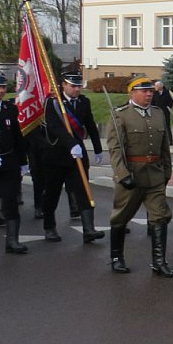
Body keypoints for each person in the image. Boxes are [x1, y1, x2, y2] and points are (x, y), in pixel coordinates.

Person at [106, 77, 173, 276]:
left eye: (151, 91)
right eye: (144, 91)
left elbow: (164, 147)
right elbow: (115, 148)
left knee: (160, 217)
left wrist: (167, 171)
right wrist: (122, 174)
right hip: (132, 174)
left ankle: (159, 261)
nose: (149, 94)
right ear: (132, 93)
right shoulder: (121, 115)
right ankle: (117, 257)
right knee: (121, 216)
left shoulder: (159, 113)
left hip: (155, 174)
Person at [39, 69, 105, 243]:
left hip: (78, 155)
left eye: (78, 86)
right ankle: (49, 227)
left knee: (83, 189)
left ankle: (88, 229)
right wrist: (71, 143)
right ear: (64, 85)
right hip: (56, 155)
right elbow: (54, 127)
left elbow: (90, 125)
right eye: (73, 86)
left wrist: (98, 148)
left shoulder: (84, 102)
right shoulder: (53, 103)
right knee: (52, 193)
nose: (77, 89)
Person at [0, 71, 28, 253]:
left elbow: (17, 136)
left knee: (11, 200)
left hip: (8, 161)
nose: (1, 91)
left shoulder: (9, 108)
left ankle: (12, 241)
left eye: (3, 87)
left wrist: (23, 160)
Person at [152, 80, 173, 145]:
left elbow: (171, 101)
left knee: (167, 126)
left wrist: (168, 108)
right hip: (156, 112)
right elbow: (152, 102)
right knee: (157, 126)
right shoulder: (154, 93)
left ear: (161, 86)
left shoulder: (166, 92)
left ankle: (170, 141)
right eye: (155, 86)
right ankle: (159, 140)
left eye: (156, 86)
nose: (155, 87)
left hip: (165, 112)